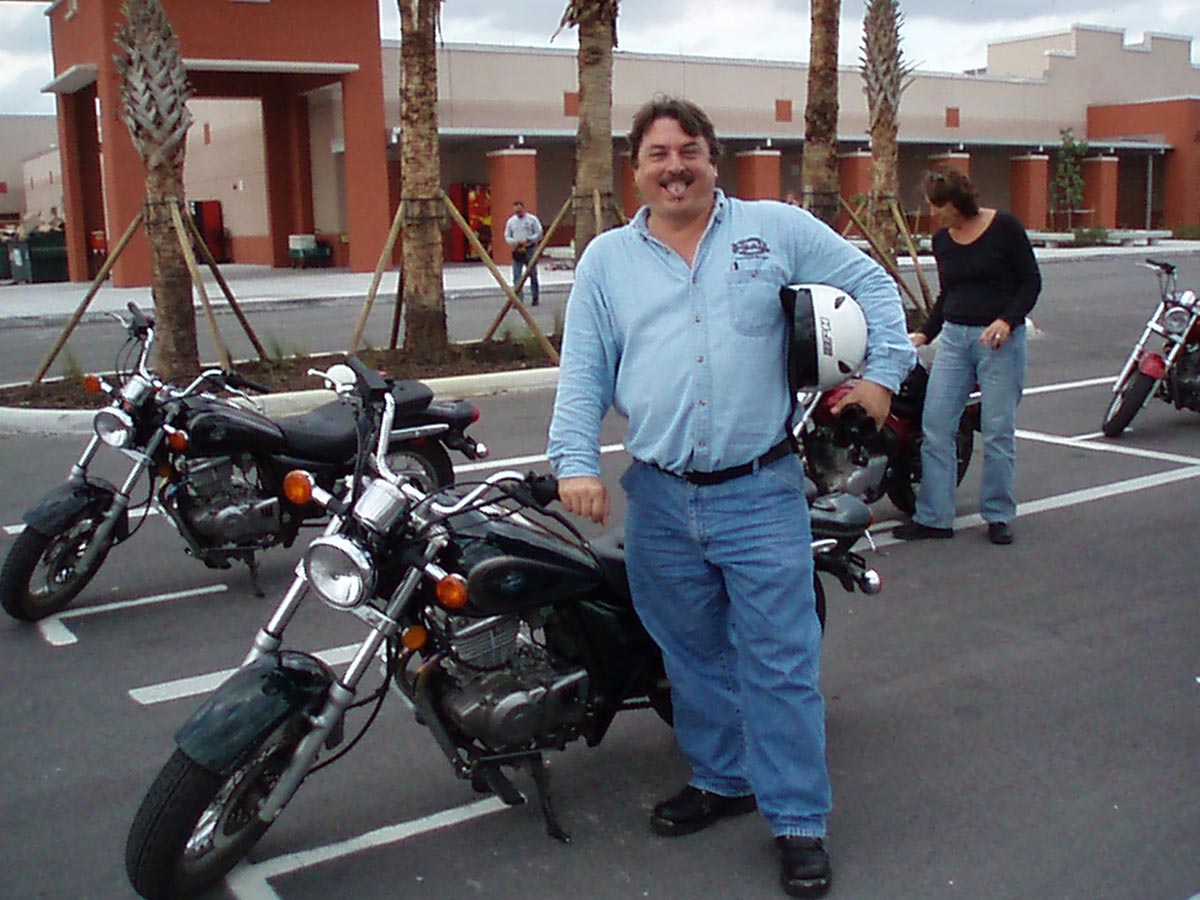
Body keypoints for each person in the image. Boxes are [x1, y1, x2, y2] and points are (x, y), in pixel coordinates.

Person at [546, 96, 915, 899]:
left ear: (714, 160)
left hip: (760, 491)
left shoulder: (774, 230)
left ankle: (798, 821)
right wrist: (575, 462)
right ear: (636, 171)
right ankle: (723, 777)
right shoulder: (608, 261)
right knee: (691, 656)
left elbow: (871, 283)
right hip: (659, 498)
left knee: (779, 664)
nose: (674, 167)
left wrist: (885, 373)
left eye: (689, 151)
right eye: (657, 154)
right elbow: (583, 370)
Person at [892, 167, 1041, 545]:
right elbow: (949, 295)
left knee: (997, 430)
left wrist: (1007, 320)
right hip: (954, 340)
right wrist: (924, 333)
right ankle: (934, 517)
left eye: (938, 207)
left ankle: (998, 514)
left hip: (999, 342)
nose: (933, 214)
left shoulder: (1004, 227)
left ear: (958, 204)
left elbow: (1030, 282)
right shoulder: (942, 240)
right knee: (936, 425)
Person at [504, 200, 544, 306]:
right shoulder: (511, 222)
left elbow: (539, 233)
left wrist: (529, 239)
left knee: (533, 274)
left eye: (520, 211)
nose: (518, 213)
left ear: (523, 209)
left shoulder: (532, 219)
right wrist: (514, 242)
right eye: (516, 211)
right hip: (517, 249)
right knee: (516, 275)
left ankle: (535, 297)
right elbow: (507, 236)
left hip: (529, 248)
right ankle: (518, 299)